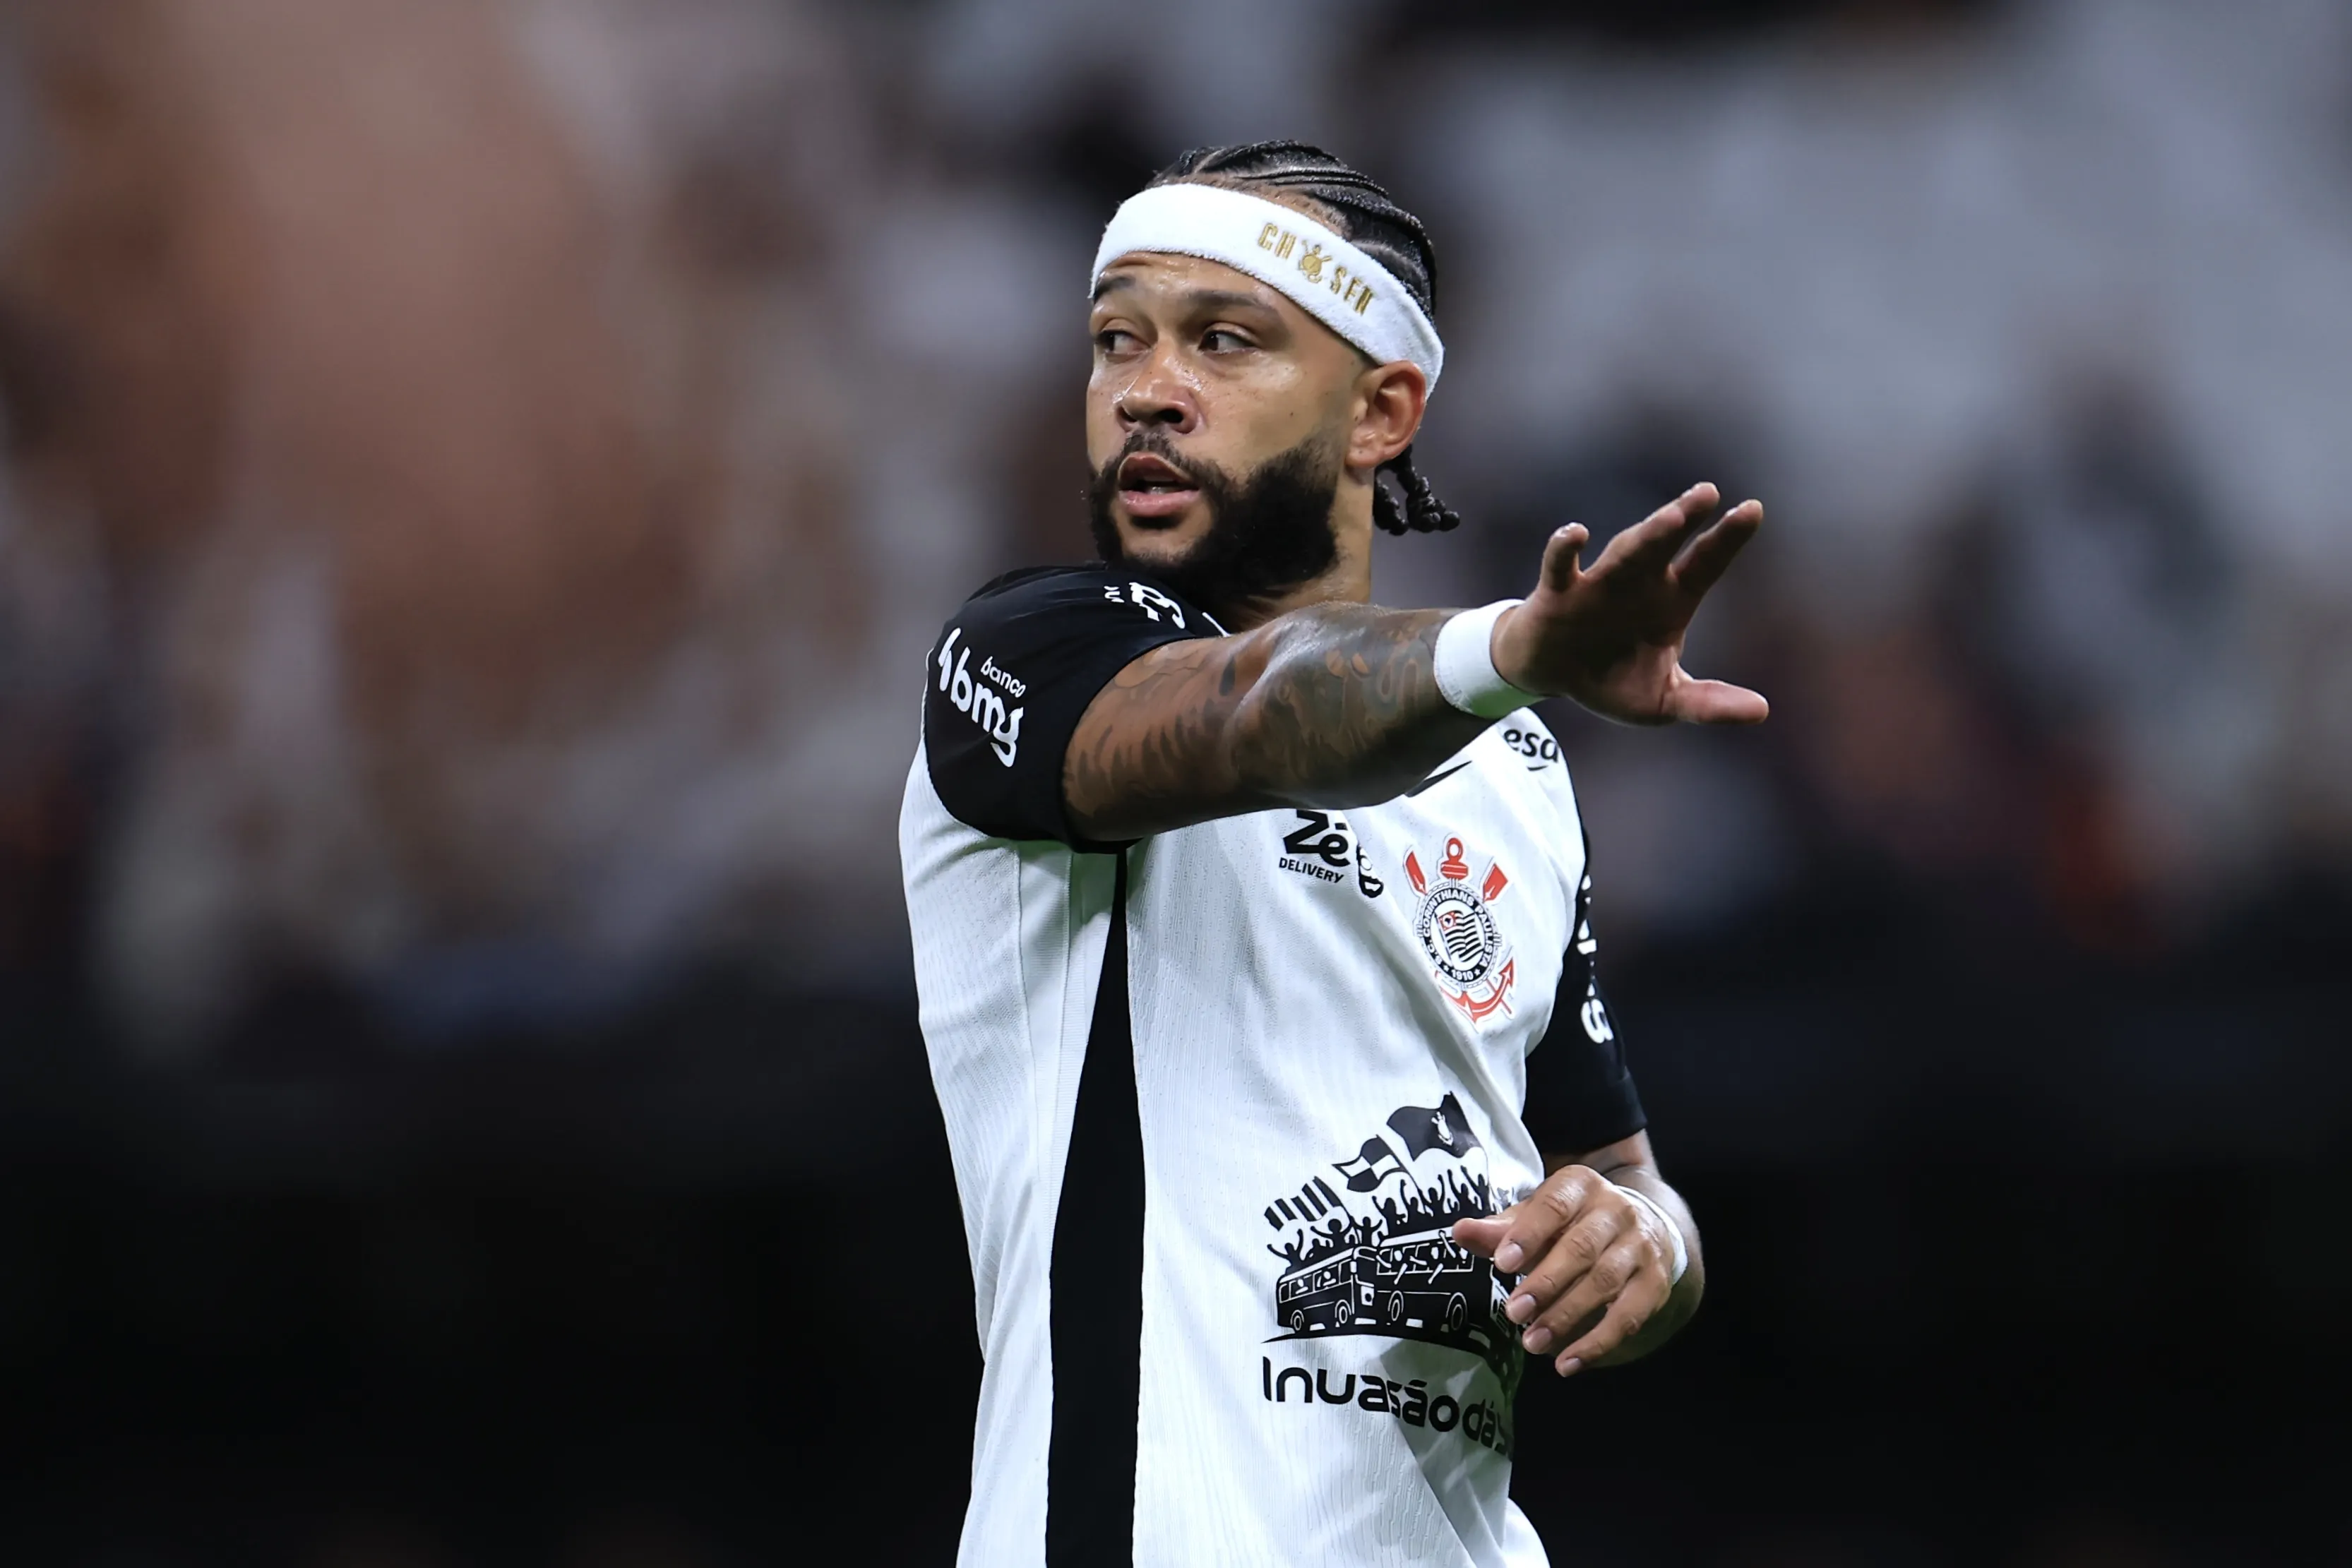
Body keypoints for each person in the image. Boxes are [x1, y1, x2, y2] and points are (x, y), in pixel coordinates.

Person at [899, 141, 1765, 1567]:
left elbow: (1621, 1175)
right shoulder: (1027, 659)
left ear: (1383, 411)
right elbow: (1258, 708)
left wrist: (1638, 1243)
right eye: (1116, 341)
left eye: (1221, 340)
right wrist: (1511, 648)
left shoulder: (1516, 770)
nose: (1145, 388)